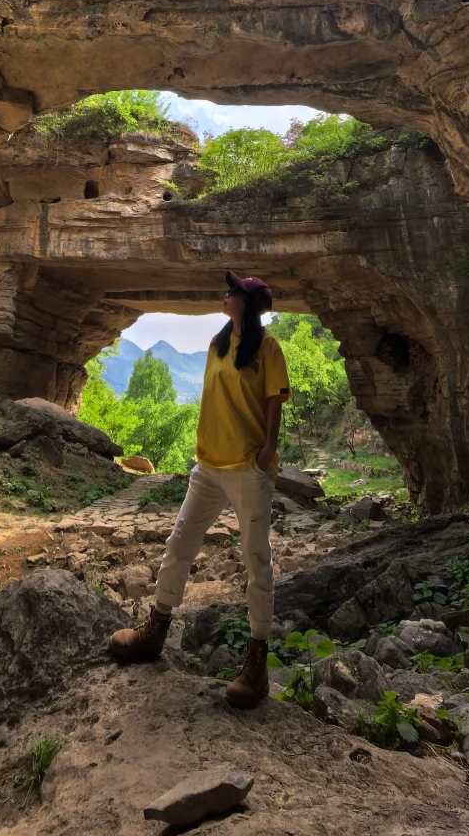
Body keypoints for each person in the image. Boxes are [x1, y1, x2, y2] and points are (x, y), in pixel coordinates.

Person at [109, 270, 291, 708]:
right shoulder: (216, 344)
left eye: (231, 292)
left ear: (246, 303)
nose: (224, 296)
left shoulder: (267, 348)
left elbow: (273, 403)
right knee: (180, 543)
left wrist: (267, 451)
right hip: (208, 466)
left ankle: (256, 663)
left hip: (248, 468)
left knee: (256, 561)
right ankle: (155, 630)